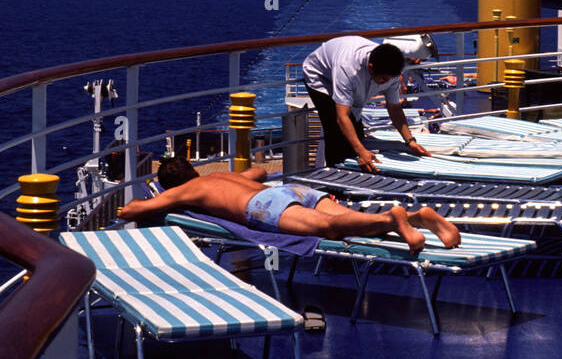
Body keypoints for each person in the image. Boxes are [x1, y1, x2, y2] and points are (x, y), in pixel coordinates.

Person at [118, 158, 460, 257]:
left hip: (264, 206)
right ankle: (417, 217)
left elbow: (131, 211)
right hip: (287, 189)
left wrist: (142, 200)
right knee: (343, 218)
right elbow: (260, 171)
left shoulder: (183, 192)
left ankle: (392, 218)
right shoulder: (223, 175)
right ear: (193, 170)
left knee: (330, 230)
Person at [301, 36, 430, 173]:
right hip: (320, 76)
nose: (387, 83)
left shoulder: (392, 73)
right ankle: (335, 181)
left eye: (390, 80)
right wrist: (360, 151)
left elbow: (394, 108)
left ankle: (356, 169)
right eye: (384, 79)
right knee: (335, 131)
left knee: (356, 132)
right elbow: (342, 117)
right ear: (371, 68)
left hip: (344, 67)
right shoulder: (348, 68)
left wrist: (410, 141)